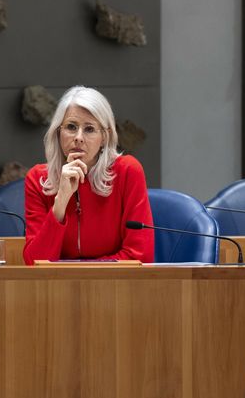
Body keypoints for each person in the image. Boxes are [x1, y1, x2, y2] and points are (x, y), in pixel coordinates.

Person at [23, 86, 154, 264]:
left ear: (105, 137)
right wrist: (60, 202)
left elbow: (140, 255)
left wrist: (82, 272)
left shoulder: (127, 171)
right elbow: (35, 263)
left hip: (115, 281)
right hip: (59, 282)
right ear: (58, 132)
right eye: (71, 127)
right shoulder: (38, 179)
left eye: (89, 129)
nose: (78, 137)